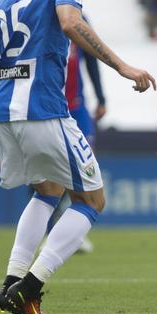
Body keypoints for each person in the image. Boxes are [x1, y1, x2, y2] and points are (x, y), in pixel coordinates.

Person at [0, 0, 156, 314]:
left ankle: (9, 281)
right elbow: (69, 22)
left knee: (48, 190)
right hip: (43, 107)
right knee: (92, 200)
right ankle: (28, 287)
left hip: (1, 111)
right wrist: (123, 66)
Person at [45, 33, 108, 254]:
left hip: (77, 107)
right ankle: (51, 230)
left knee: (85, 169)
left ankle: (70, 232)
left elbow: (91, 59)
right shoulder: (42, 14)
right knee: (48, 176)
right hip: (49, 107)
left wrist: (101, 97)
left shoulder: (81, 20)